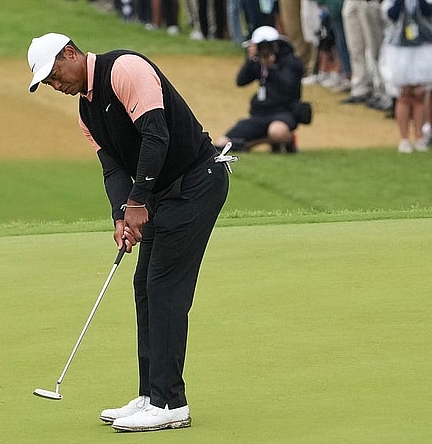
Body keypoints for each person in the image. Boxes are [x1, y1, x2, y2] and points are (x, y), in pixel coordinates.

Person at [26, 32, 231, 432]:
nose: (56, 84)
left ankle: (171, 403)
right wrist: (122, 214)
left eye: (55, 74)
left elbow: (157, 136)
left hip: (196, 181)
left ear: (70, 53)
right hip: (159, 192)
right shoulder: (87, 112)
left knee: (164, 285)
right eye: (48, 82)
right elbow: (114, 168)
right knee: (145, 285)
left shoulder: (125, 69)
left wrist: (139, 202)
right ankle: (151, 395)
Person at [216, 25, 306, 153]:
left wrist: (272, 67)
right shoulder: (258, 62)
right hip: (260, 114)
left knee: (277, 132)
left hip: (284, 112)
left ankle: (276, 140)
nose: (265, 50)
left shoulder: (290, 62)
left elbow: (289, 86)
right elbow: (241, 81)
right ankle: (268, 142)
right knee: (222, 143)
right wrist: (250, 60)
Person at [379, 0, 432, 153]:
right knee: (404, 94)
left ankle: (419, 136)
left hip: (421, 48)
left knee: (420, 94)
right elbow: (390, 15)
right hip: (400, 50)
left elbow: (428, 12)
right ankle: (404, 138)